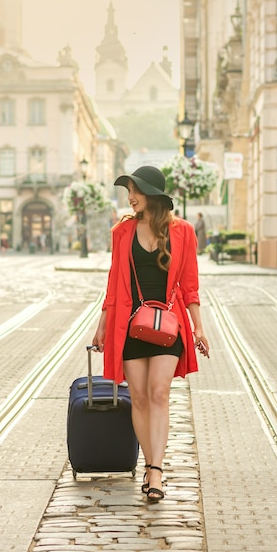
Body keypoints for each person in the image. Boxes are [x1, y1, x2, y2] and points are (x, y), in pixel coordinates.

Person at [92, 166, 209, 503]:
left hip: (169, 326)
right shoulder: (122, 232)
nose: (130, 196)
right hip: (130, 325)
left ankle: (155, 470)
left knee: (159, 393)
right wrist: (102, 325)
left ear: (152, 194)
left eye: (135, 190)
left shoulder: (183, 232)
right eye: (128, 190)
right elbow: (114, 283)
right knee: (139, 397)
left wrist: (198, 326)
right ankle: (148, 462)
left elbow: (189, 284)